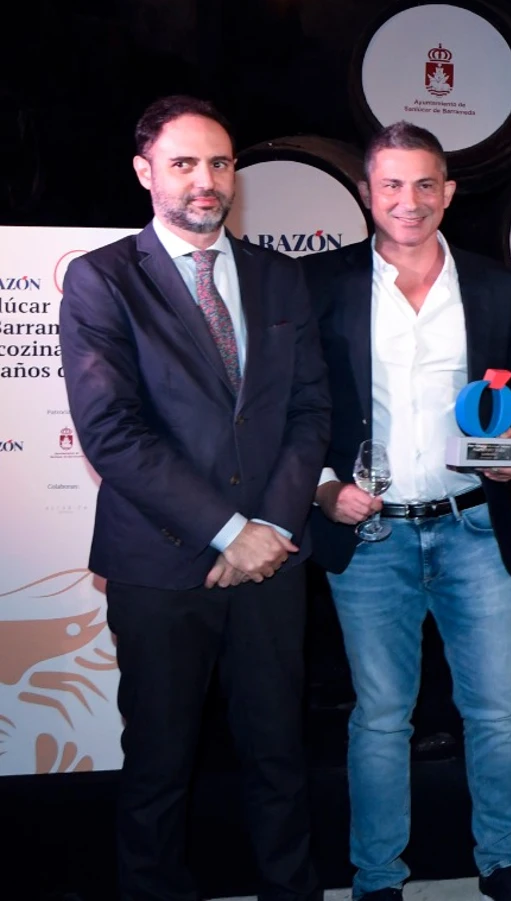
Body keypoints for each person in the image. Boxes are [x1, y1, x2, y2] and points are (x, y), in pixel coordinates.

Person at [60, 95, 330, 901]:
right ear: (146, 173)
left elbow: (312, 410)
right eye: (183, 163)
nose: (205, 180)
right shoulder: (102, 279)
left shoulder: (281, 276)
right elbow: (112, 431)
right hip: (161, 566)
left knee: (280, 756)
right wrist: (227, 532)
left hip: (273, 561)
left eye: (218, 162)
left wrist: (272, 525)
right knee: (159, 766)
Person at [302, 122, 511, 901]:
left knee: (495, 709)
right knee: (380, 717)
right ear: (369, 194)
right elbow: (296, 411)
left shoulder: (494, 285)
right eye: (393, 185)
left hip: (472, 525)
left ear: (449, 192)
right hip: (369, 534)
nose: (410, 201)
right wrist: (323, 486)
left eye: (426, 184)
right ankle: (378, 877)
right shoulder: (320, 285)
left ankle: (502, 859)